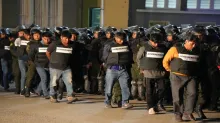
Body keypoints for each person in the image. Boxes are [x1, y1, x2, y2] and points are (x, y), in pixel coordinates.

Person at [163, 33, 199, 122]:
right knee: (177, 96)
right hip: (177, 76)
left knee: (193, 93)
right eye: (192, 43)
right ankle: (178, 114)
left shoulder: (197, 50)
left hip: (191, 76)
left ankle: (187, 113)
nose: (194, 45)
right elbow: (165, 61)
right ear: (186, 41)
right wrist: (171, 70)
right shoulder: (175, 49)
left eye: (195, 43)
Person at [137, 33, 168, 114]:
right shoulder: (144, 48)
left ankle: (155, 103)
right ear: (150, 41)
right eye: (154, 42)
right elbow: (138, 58)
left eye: (158, 42)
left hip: (160, 72)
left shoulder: (163, 48)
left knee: (162, 89)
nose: (156, 44)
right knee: (149, 91)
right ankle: (150, 106)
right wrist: (141, 68)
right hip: (148, 72)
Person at [102, 31, 133, 109]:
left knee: (125, 87)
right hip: (112, 70)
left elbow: (129, 54)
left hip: (123, 69)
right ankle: (107, 102)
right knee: (109, 88)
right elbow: (104, 57)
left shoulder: (126, 45)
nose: (122, 41)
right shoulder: (109, 45)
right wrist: (109, 63)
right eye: (120, 39)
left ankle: (125, 103)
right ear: (115, 38)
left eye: (123, 39)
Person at [46, 30, 77, 103]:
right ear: (61, 37)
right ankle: (53, 96)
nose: (67, 40)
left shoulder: (72, 45)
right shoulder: (55, 44)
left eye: (68, 38)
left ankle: (70, 96)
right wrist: (52, 61)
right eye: (65, 38)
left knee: (69, 81)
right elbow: (48, 52)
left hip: (66, 67)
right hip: (55, 67)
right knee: (54, 82)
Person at [28, 31, 52, 99]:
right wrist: (34, 62)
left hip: (47, 65)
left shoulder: (52, 45)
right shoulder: (36, 45)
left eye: (48, 39)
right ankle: (45, 94)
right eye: (45, 39)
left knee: (45, 79)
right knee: (44, 78)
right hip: (39, 65)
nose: (46, 40)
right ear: (42, 38)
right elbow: (31, 55)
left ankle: (38, 91)